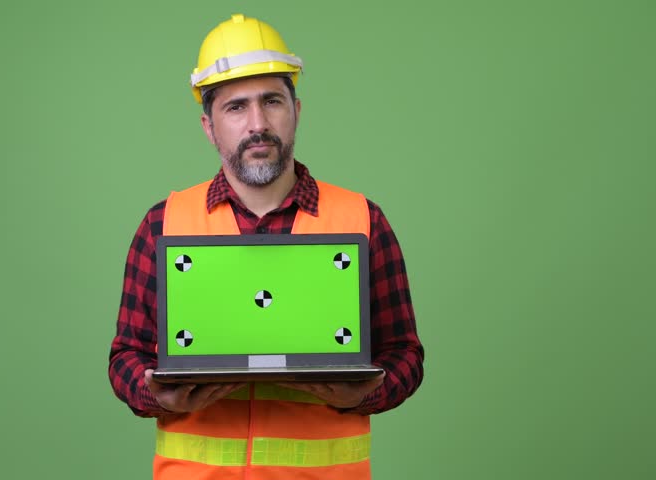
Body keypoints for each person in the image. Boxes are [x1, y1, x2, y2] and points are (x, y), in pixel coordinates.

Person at [108, 13, 424, 480]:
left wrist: (363, 395)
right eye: (236, 107)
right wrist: (158, 394)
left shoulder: (364, 220)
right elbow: (125, 359)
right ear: (208, 126)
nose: (257, 124)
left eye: (272, 100)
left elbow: (406, 356)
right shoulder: (163, 223)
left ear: (297, 110)